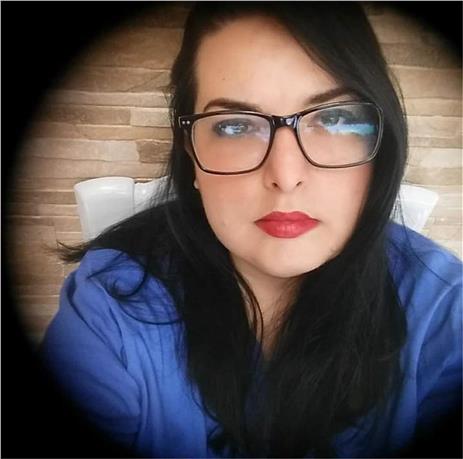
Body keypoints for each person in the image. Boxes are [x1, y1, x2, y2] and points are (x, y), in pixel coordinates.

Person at [40, 3, 462, 458]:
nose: (285, 176)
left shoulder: (444, 316)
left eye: (334, 119)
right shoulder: (108, 311)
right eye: (235, 126)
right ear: (190, 152)